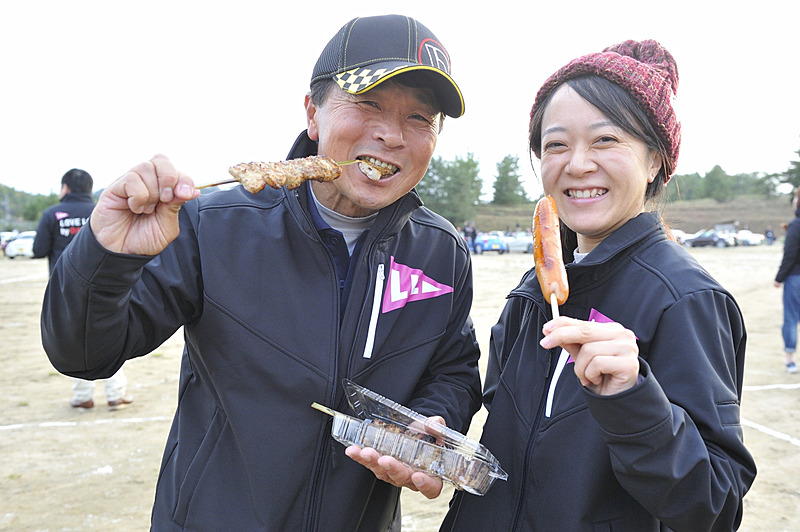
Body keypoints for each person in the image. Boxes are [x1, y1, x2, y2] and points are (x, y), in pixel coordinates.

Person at [40, 14, 481, 531]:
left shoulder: (441, 251)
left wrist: (430, 425)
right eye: (367, 104)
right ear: (313, 115)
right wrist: (105, 256)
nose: (391, 135)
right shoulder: (211, 223)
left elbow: (453, 369)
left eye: (420, 119)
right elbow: (83, 354)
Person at [441, 40, 756, 531]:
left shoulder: (685, 299)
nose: (578, 164)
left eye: (605, 140)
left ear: (655, 161)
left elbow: (713, 507)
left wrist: (632, 398)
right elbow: (510, 441)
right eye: (556, 144)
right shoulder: (532, 293)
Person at [33, 169, 133, 410]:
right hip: (106, 286)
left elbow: (38, 249)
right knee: (110, 337)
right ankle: (115, 393)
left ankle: (82, 396)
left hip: (65, 289)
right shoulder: (101, 211)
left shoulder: (52, 214)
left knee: (76, 341)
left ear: (65, 188)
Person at [773, 187, 800, 374]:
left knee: (791, 319)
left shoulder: (796, 225)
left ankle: (790, 360)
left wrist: (779, 278)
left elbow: (790, 254)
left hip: (795, 278)